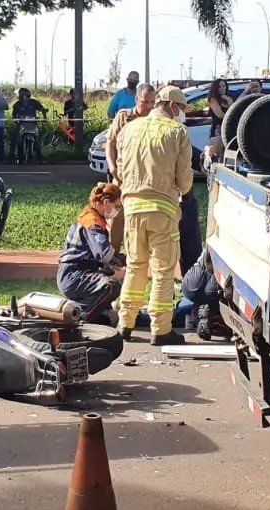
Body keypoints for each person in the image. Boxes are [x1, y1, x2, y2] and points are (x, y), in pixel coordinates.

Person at [114, 85, 192, 346]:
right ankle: (161, 329)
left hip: (132, 208)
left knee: (135, 266)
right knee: (163, 271)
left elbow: (122, 170)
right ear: (171, 106)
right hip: (163, 210)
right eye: (181, 108)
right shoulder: (177, 132)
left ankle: (125, 323)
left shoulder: (129, 129)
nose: (181, 114)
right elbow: (185, 180)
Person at [57, 183, 127, 325]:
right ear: (106, 202)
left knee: (104, 316)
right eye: (117, 206)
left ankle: (98, 314)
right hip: (74, 274)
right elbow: (104, 255)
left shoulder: (92, 217)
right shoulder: (93, 223)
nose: (118, 211)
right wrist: (126, 259)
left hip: (77, 272)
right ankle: (79, 318)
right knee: (111, 286)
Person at [104, 83, 156, 248]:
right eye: (145, 102)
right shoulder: (123, 116)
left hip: (145, 179)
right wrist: (112, 167)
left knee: (141, 220)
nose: (148, 106)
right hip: (122, 176)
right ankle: (111, 256)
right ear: (136, 99)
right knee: (116, 216)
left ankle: (136, 258)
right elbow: (110, 143)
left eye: (152, 102)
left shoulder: (155, 120)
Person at [11, 87, 48, 163]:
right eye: (22, 96)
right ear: (20, 96)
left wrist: (44, 116)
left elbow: (42, 109)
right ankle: (13, 156)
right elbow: (14, 115)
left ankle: (39, 158)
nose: (25, 98)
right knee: (16, 139)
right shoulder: (17, 104)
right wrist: (16, 120)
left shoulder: (34, 102)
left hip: (33, 124)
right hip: (21, 124)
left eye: (26, 96)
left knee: (37, 140)